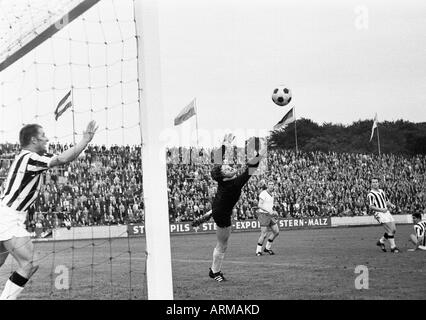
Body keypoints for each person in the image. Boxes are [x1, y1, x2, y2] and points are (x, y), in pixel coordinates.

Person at [0, 121, 97, 300]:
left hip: (6, 213)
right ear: (34, 139)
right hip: (9, 217)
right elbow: (61, 159)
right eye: (43, 136)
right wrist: (85, 140)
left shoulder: (27, 157)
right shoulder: (30, 158)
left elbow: (63, 157)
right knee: (29, 263)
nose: (47, 139)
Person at [193, 134, 266, 282]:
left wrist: (225, 143)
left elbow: (218, 159)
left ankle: (209, 214)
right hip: (222, 214)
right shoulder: (234, 184)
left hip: (219, 208)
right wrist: (262, 152)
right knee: (222, 244)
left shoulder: (223, 181)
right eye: (227, 169)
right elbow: (251, 167)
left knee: (222, 241)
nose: (230, 167)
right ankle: (215, 272)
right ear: (224, 176)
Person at [367, 177, 400, 253]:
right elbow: (371, 206)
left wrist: (391, 205)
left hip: (386, 212)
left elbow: (386, 201)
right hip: (379, 213)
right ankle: (393, 247)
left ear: (378, 183)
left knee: (393, 229)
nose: (375, 183)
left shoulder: (382, 191)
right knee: (390, 230)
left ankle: (381, 241)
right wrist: (381, 210)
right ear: (371, 184)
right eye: (373, 182)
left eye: (376, 182)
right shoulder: (370, 194)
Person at [255, 180, 279, 256]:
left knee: (276, 232)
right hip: (263, 215)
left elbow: (269, 205)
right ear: (267, 185)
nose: (271, 185)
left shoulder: (272, 194)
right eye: (270, 184)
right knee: (264, 234)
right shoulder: (263, 193)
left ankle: (267, 248)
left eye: (272, 184)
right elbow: (259, 205)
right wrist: (269, 210)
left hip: (270, 215)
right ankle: (258, 251)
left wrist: (273, 211)